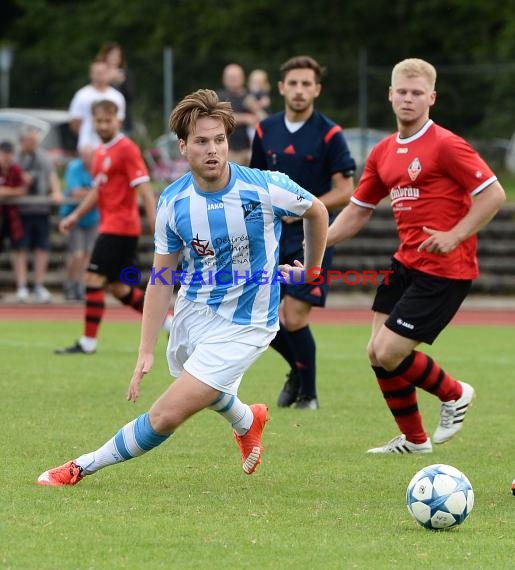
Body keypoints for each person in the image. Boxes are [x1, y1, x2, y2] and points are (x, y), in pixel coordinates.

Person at [37, 88, 328, 486]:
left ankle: (80, 466)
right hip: (194, 313)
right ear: (183, 147)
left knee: (168, 413)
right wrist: (145, 349)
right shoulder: (173, 202)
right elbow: (160, 280)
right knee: (203, 388)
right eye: (202, 141)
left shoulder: (264, 186)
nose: (213, 150)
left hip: (247, 324)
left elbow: (318, 210)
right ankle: (248, 419)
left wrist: (311, 271)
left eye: (220, 140)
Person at [326, 58, 506, 453]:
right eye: (402, 92)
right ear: (390, 95)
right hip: (406, 262)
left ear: (432, 98)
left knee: (390, 351)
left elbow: (493, 194)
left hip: (445, 268)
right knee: (376, 353)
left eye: (417, 93)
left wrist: (455, 235)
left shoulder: (446, 144)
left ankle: (455, 393)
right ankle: (414, 439)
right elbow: (357, 209)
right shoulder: (383, 151)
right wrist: (317, 244)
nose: (408, 99)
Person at [250, 55, 356, 410]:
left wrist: (304, 207)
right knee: (257, 316)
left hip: (313, 237)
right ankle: (297, 369)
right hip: (272, 237)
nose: (299, 90)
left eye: (306, 84)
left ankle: (308, 394)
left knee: (293, 316)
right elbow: (256, 182)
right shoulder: (266, 130)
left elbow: (346, 190)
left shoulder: (330, 133)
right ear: (281, 88)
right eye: (292, 83)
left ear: (317, 89)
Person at [54, 100, 163, 354]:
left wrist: (157, 227)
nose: (103, 125)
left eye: (108, 121)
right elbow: (98, 192)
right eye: (99, 121)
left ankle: (87, 343)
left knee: (92, 277)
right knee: (119, 288)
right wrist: (75, 216)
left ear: (118, 121)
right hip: (112, 226)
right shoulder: (101, 152)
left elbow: (145, 191)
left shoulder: (126, 148)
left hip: (121, 228)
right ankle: (168, 322)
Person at [14, 128, 63, 303]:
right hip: (21, 210)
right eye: (30, 141)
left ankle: (38, 285)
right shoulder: (16, 159)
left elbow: (52, 176)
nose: (33, 144)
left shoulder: (43, 157)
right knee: (20, 248)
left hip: (41, 209)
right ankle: (21, 286)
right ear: (23, 141)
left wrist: (56, 192)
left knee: (41, 248)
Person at [59, 145, 99, 301]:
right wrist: (95, 193)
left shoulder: (98, 167)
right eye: (83, 155)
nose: (86, 159)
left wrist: (93, 193)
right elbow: (75, 192)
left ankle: (82, 286)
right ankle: (70, 284)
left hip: (92, 218)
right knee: (77, 254)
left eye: (89, 155)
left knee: (88, 254)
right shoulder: (74, 168)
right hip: (74, 216)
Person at [69, 59, 126, 150]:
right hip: (88, 144)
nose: (100, 76)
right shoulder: (81, 95)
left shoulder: (117, 97)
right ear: (91, 74)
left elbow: (119, 121)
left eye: (102, 73)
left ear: (108, 74)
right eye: (97, 73)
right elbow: (75, 122)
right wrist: (85, 136)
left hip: (111, 144)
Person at [217, 63, 259, 165]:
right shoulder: (219, 97)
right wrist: (246, 118)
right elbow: (220, 118)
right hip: (230, 150)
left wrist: (256, 108)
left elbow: (265, 120)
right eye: (230, 77)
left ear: (243, 78)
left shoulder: (252, 96)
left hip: (252, 150)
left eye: (236, 77)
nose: (233, 79)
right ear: (224, 79)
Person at [96, 41, 135, 134]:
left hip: (122, 120)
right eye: (112, 55)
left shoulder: (125, 75)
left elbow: (130, 97)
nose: (115, 58)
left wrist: (123, 83)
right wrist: (108, 79)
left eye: (118, 55)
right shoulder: (98, 73)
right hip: (101, 117)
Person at [0, 141, 26, 267]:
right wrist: (13, 191)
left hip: (12, 216)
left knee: (19, 248)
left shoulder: (16, 169)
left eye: (9, 153)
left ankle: (21, 285)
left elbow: (22, 190)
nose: (7, 156)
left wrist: (4, 191)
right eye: (4, 153)